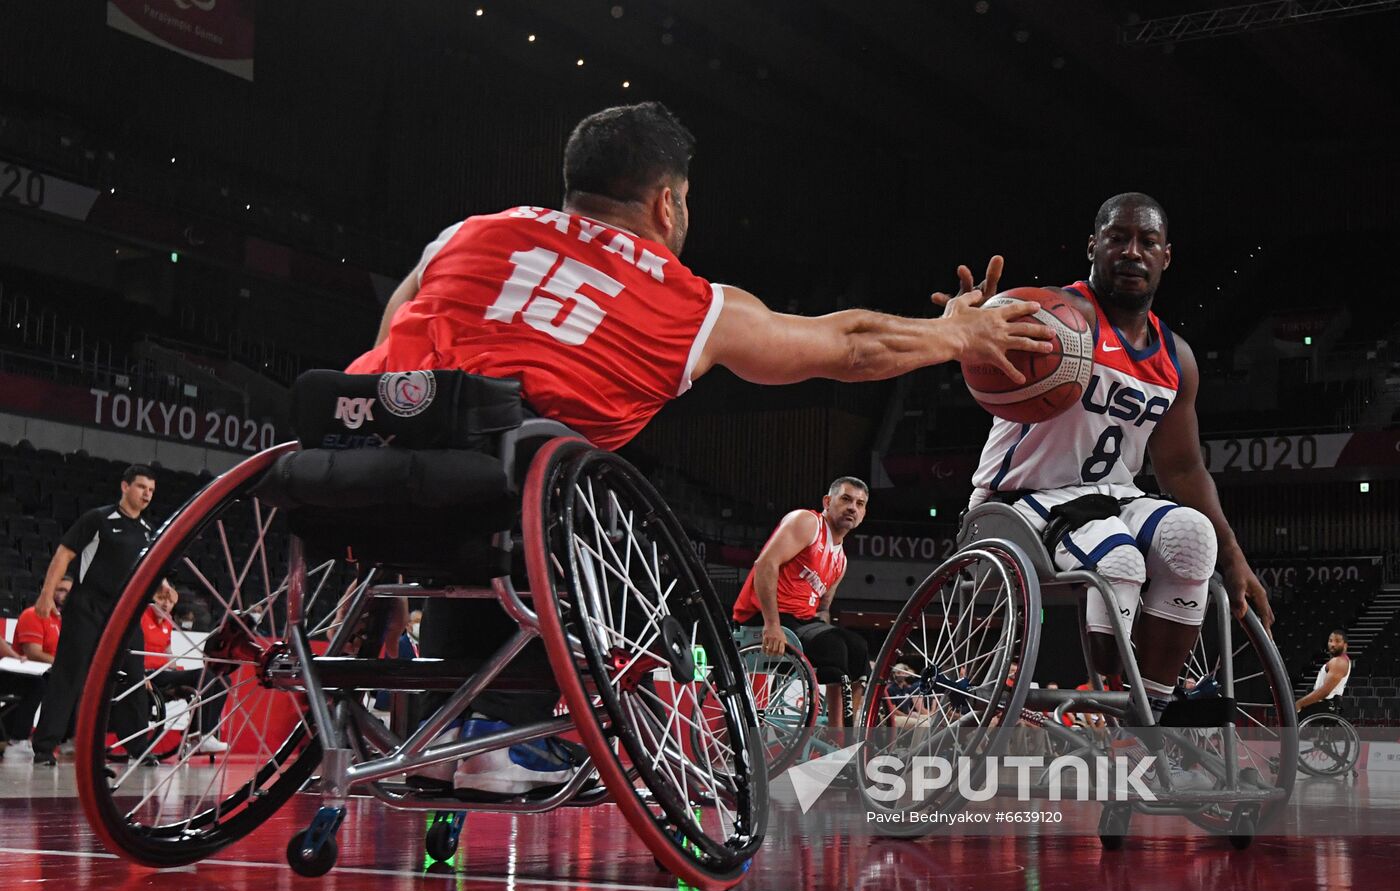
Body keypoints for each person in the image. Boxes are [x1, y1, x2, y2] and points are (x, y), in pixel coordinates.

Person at [346, 102, 1053, 793]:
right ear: (667, 204)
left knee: (499, 476)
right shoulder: (687, 302)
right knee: (562, 488)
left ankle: (444, 727)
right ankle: (508, 727)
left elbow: (388, 338)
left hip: (364, 465)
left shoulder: (465, 235)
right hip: (525, 493)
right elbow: (849, 345)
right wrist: (956, 335)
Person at [955, 193, 1273, 757]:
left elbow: (1181, 466)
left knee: (1193, 538)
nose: (1132, 251)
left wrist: (1235, 557)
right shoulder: (1050, 313)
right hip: (1021, 497)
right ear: (1092, 246)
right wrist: (970, 326)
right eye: (1117, 238)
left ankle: (1147, 724)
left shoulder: (1177, 357)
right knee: (1118, 557)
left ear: (1166, 256)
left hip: (1113, 496)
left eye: (1146, 242)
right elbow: (980, 345)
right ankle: (1112, 701)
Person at [29, 465, 157, 767]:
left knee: (134, 679)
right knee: (68, 675)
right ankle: (45, 748)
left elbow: (149, 572)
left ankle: (137, 747)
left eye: (151, 490)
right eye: (141, 487)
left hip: (125, 613)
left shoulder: (149, 532)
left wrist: (165, 588)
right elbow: (64, 554)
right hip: (87, 607)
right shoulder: (98, 519)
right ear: (125, 487)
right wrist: (46, 594)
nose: (146, 494)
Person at [732, 477, 868, 727]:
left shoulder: (841, 561)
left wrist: (828, 629)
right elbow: (764, 565)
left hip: (801, 621)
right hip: (764, 615)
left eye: (860, 504)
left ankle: (843, 731)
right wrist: (771, 624)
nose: (852, 508)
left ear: (863, 514)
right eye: (846, 499)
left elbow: (823, 609)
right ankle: (837, 732)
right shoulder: (807, 522)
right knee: (833, 645)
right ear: (828, 502)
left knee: (857, 647)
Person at [140, 580, 229, 754]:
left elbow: (167, 652)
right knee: (204, 676)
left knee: (222, 678)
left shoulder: (167, 622)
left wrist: (176, 667)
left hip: (165, 672)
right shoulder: (142, 616)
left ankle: (203, 735)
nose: (166, 604)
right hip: (148, 674)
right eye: (161, 599)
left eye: (170, 602)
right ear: (153, 599)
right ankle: (198, 736)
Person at [0, 577, 73, 758]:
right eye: (60, 590)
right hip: (29, 671)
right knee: (40, 684)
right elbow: (33, 653)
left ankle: (69, 738)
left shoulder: (64, 621)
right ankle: (18, 739)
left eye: (68, 592)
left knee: (77, 681)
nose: (64, 596)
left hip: (42, 671)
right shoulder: (33, 614)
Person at [1295, 630, 1351, 716]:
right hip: (1324, 705)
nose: (1333, 644)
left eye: (1337, 641)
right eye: (1330, 641)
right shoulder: (1338, 661)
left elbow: (1324, 692)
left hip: (1326, 706)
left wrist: (1299, 704)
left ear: (1345, 645)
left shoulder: (1339, 662)